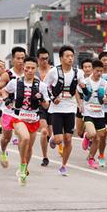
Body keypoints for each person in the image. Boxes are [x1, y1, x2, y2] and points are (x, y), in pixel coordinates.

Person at [1, 56, 50, 185]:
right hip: (18, 118)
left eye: (33, 68)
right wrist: (7, 100)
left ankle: (23, 169)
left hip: (33, 119)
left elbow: (46, 106)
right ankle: (22, 164)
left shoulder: (41, 86)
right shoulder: (15, 82)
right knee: (25, 138)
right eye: (27, 68)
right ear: (23, 68)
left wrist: (41, 99)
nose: (30, 70)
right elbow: (4, 91)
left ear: (36, 69)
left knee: (28, 148)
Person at [45, 45, 78, 176]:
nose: (70, 58)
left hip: (71, 107)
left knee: (68, 139)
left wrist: (85, 89)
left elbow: (83, 87)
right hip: (57, 109)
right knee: (59, 140)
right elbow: (46, 86)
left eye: (72, 56)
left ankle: (63, 166)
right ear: (61, 58)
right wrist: (53, 98)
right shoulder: (53, 72)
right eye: (67, 56)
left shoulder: (77, 72)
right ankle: (53, 139)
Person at [0, 46, 27, 169]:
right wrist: (7, 95)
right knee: (7, 137)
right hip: (9, 111)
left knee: (23, 137)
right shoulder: (8, 75)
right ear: (12, 60)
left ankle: (23, 164)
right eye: (18, 58)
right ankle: (3, 150)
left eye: (23, 58)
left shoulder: (29, 73)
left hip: (23, 111)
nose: (21, 61)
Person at [78, 59, 107, 169]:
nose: (99, 73)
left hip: (100, 114)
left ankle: (91, 158)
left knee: (98, 138)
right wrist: (80, 104)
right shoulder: (85, 82)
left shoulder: (105, 83)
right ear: (92, 70)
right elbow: (78, 93)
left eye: (101, 71)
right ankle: (87, 137)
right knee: (92, 134)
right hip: (88, 112)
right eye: (97, 71)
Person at [35, 48, 53, 166]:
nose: (44, 61)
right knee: (44, 131)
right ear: (38, 59)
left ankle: (53, 140)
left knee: (51, 134)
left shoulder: (54, 71)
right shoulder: (33, 72)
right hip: (40, 105)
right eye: (42, 59)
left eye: (46, 58)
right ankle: (45, 157)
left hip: (53, 105)